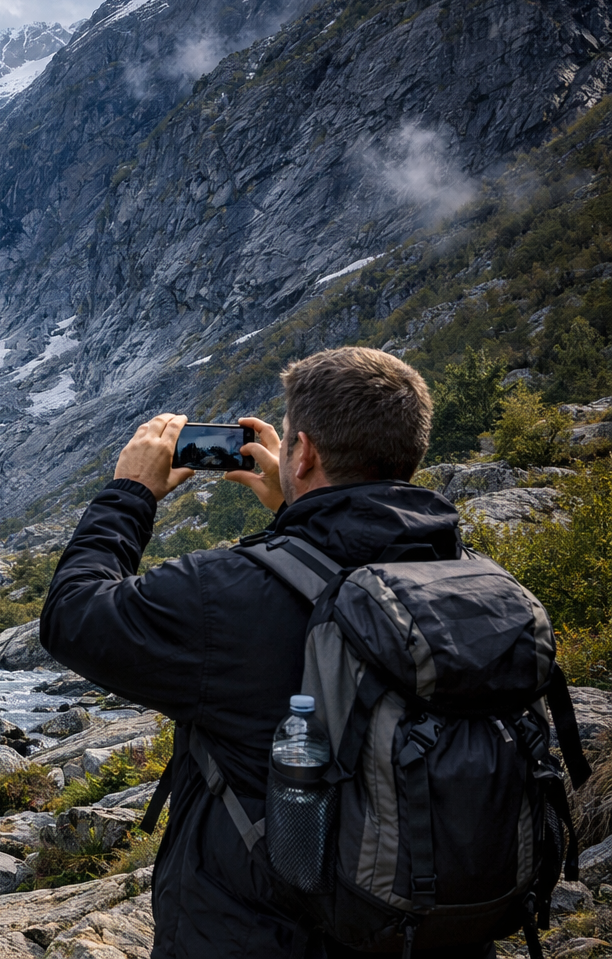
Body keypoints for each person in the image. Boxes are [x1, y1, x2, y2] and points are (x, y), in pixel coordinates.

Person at [39, 347, 493, 959]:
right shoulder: (471, 578)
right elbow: (350, 569)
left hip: (263, 935)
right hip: (438, 933)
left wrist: (128, 493)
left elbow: (72, 616)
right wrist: (298, 508)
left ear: (302, 453)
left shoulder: (223, 593)